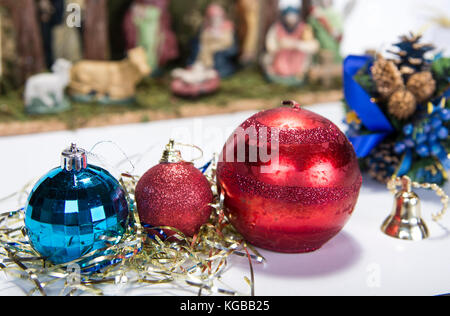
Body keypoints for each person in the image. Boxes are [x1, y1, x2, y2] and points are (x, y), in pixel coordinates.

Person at [262, 5, 319, 85]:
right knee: (268, 61)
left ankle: (298, 76)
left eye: (293, 15)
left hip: (297, 59)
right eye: (288, 15)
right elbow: (270, 46)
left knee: (304, 66)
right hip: (281, 57)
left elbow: (313, 46)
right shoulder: (277, 27)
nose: (291, 18)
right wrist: (280, 45)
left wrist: (296, 44)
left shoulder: (304, 28)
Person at [187, 4, 238, 78]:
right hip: (203, 59)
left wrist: (218, 47)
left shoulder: (228, 29)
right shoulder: (205, 29)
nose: (216, 21)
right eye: (213, 18)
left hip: (220, 61)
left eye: (218, 18)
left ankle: (210, 73)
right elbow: (199, 43)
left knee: (216, 71)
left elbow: (232, 48)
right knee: (197, 66)